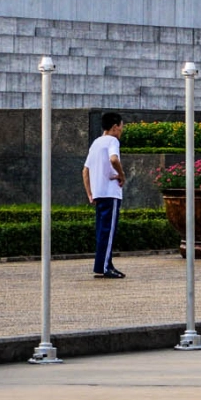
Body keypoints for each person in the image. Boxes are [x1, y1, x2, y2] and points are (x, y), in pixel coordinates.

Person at [83, 111, 127, 278]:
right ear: (115, 127)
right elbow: (114, 159)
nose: (121, 131)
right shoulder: (112, 141)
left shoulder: (95, 143)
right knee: (109, 232)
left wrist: (89, 193)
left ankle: (101, 265)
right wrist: (121, 175)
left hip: (99, 193)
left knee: (102, 231)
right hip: (110, 192)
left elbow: (85, 171)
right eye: (121, 128)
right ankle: (106, 267)